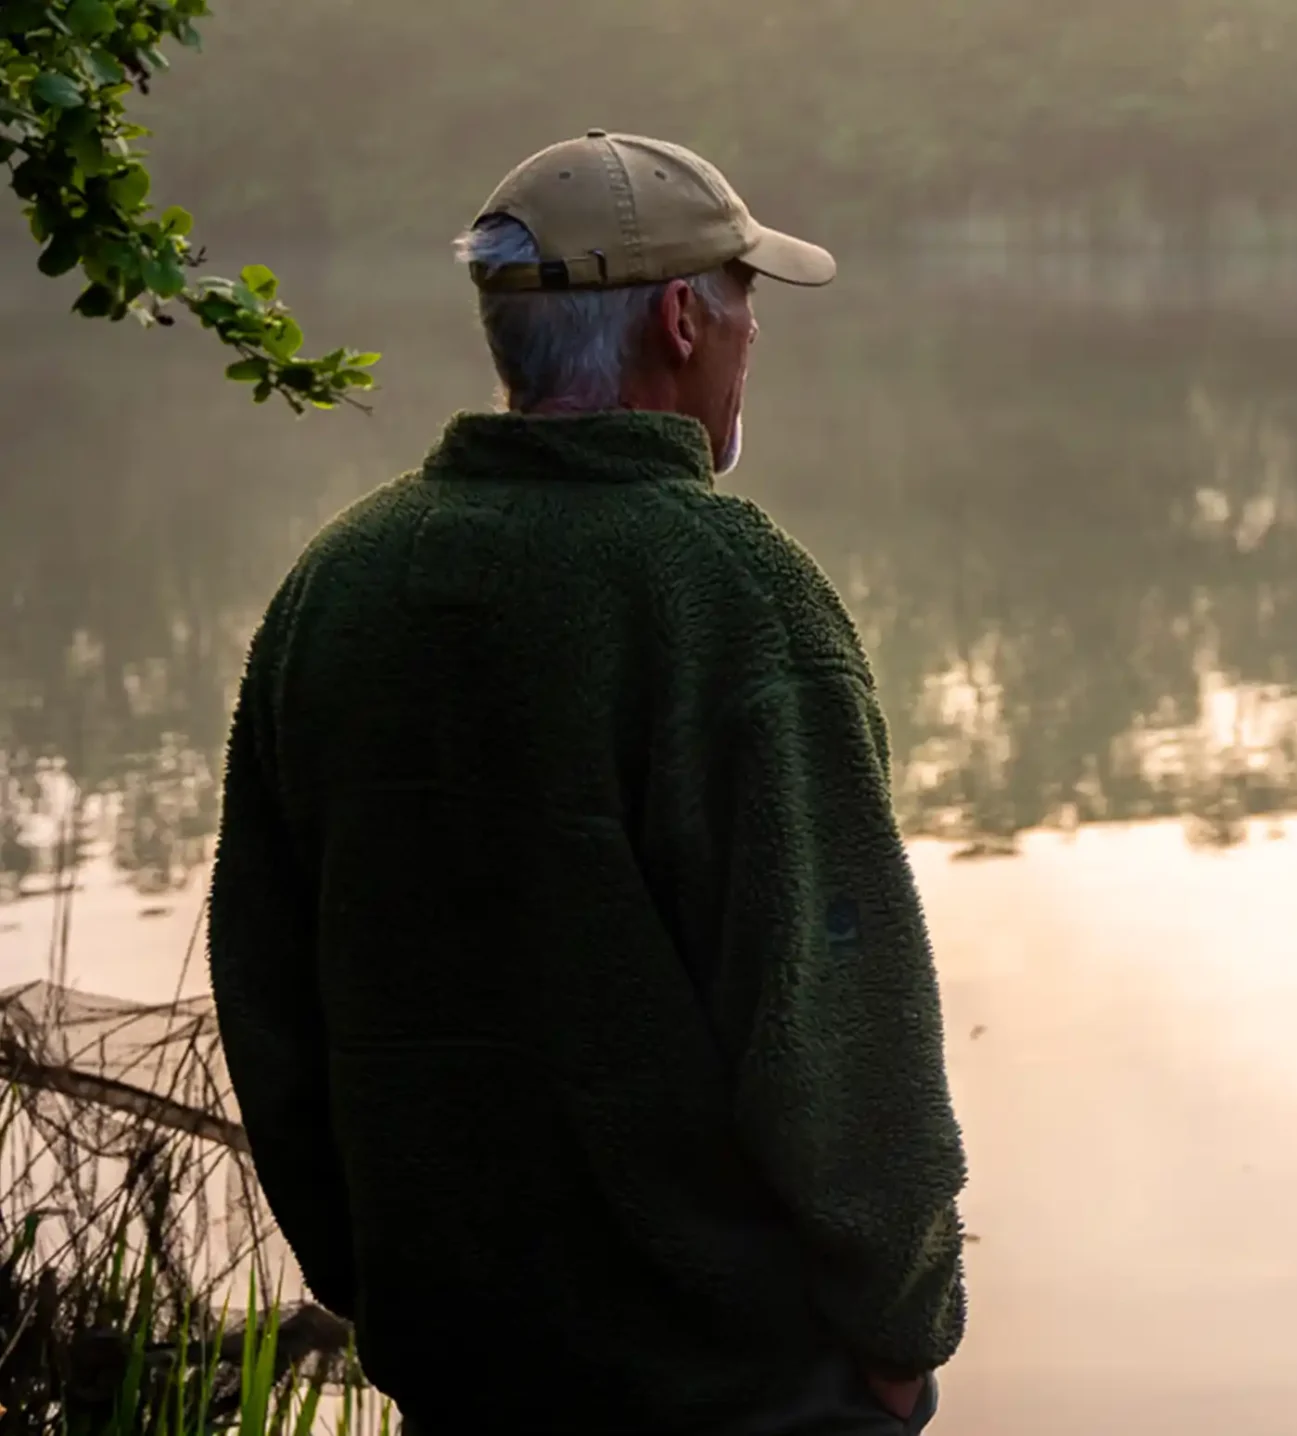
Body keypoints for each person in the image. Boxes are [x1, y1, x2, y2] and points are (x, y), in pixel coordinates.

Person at [206, 131, 967, 1436]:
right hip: (743, 1391)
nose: (747, 350)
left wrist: (382, 1289)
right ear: (682, 319)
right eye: (745, 316)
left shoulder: (338, 588)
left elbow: (269, 1012)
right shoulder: (733, 595)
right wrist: (902, 1333)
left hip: (467, 1372)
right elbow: (841, 1032)